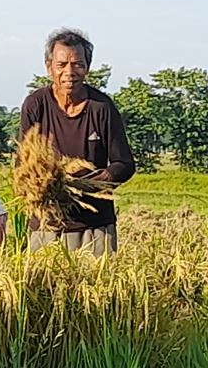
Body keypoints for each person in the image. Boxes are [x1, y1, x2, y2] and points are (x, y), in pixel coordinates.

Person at [19, 28, 135, 255]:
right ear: (49, 67)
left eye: (78, 64)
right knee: (46, 288)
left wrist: (94, 182)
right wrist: (44, 184)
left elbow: (124, 164)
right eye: (61, 65)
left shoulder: (101, 108)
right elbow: (23, 163)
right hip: (47, 225)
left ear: (87, 68)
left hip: (94, 227)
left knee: (96, 288)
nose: (69, 72)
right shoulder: (36, 105)